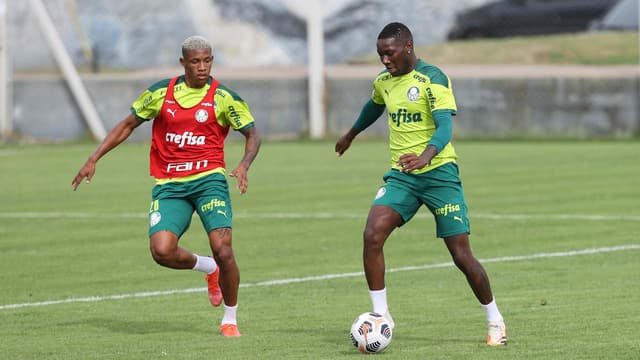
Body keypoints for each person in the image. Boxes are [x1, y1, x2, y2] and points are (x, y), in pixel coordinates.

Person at [71, 35, 260, 337]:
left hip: (209, 180)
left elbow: (252, 134)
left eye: (208, 60)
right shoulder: (161, 93)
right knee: (161, 251)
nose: (202, 67)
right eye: (196, 61)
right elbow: (127, 125)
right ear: (183, 62)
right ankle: (207, 268)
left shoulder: (224, 97)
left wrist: (243, 165)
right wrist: (94, 157)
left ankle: (230, 319)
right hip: (170, 184)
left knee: (224, 249)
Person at [335, 22, 507, 346]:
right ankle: (381, 316)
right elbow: (374, 105)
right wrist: (351, 133)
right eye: (380, 55)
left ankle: (495, 319)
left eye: (390, 53)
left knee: (461, 255)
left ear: (408, 46)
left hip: (440, 174)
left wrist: (426, 156)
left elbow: (444, 128)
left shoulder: (434, 78)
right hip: (403, 176)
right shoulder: (383, 82)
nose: (385, 60)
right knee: (372, 234)